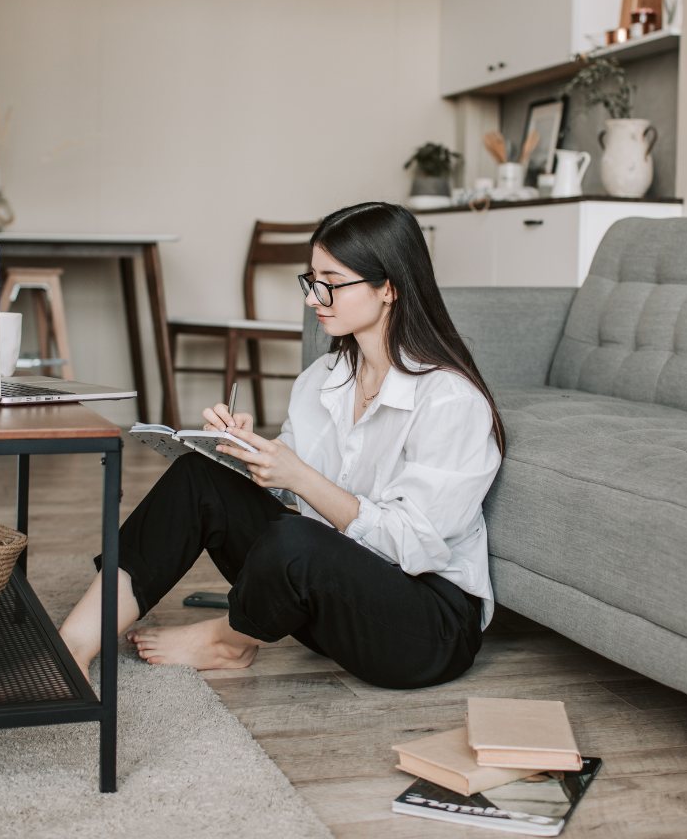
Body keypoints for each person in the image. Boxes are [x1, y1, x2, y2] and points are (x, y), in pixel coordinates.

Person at [58, 201, 506, 690]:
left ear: (389, 288)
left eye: (331, 282)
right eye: (311, 279)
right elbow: (291, 500)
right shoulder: (324, 378)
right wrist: (246, 453)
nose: (314, 297)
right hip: (337, 592)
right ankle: (73, 645)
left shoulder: (450, 401)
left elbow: (415, 547)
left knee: (298, 543)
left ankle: (229, 639)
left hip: (425, 627)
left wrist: (300, 477)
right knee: (199, 479)